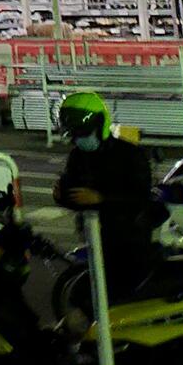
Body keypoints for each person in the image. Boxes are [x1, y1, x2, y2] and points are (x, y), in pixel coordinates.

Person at [53, 91, 156, 297]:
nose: (78, 140)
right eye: (74, 135)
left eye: (81, 134)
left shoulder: (130, 155)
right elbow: (72, 191)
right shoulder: (78, 156)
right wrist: (62, 196)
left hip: (129, 240)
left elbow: (140, 199)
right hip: (94, 237)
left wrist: (102, 199)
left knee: (124, 294)